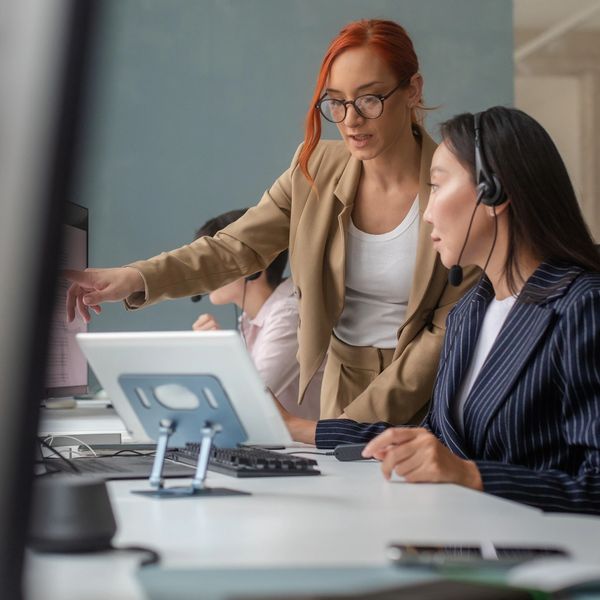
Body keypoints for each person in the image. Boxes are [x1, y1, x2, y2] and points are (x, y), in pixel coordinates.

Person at [65, 19, 476, 429]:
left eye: (369, 99)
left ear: (413, 90)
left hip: (428, 397)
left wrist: (332, 430)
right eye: (335, 102)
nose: (350, 120)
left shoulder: (459, 187)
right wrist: (133, 277)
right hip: (340, 386)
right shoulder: (313, 169)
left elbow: (445, 332)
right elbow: (232, 248)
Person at [313, 106, 600, 515]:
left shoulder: (582, 306)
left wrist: (471, 476)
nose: (426, 212)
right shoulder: (469, 312)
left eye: (436, 186)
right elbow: (438, 441)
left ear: (493, 192)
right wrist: (304, 431)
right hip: (466, 540)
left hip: (547, 563)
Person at [191, 208, 322, 420]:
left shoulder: (289, 314)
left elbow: (247, 400)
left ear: (253, 267)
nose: (202, 275)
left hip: (306, 451)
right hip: (276, 447)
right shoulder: (252, 320)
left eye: (212, 263)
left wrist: (216, 354)